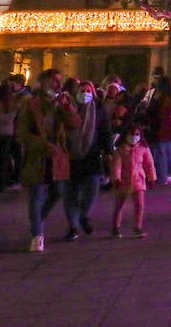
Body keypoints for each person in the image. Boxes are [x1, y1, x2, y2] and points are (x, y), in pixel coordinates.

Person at [16, 68, 78, 252]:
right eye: (54, 81)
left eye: (60, 81)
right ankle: (37, 235)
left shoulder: (62, 103)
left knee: (58, 191)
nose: (58, 85)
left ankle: (37, 220)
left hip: (57, 157)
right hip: (38, 156)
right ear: (43, 83)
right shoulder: (30, 104)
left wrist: (67, 106)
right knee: (37, 194)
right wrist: (42, 144)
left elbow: (75, 123)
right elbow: (22, 134)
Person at [63, 79, 112, 240]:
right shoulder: (68, 109)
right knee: (72, 193)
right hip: (71, 156)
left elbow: (105, 130)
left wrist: (108, 150)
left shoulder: (99, 110)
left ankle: (83, 215)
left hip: (92, 154)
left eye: (88, 91)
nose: (85, 94)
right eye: (81, 91)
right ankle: (73, 226)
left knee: (93, 188)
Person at [110, 124, 156, 238]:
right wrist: (116, 178)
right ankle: (115, 227)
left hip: (138, 180)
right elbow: (117, 166)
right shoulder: (120, 150)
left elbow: (149, 164)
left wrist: (152, 178)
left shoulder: (143, 148)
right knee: (119, 205)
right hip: (123, 182)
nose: (134, 137)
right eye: (132, 134)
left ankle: (137, 227)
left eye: (137, 134)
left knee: (139, 205)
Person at [146, 76, 171, 185]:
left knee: (160, 153)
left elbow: (159, 113)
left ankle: (161, 176)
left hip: (162, 127)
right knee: (169, 150)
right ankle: (169, 173)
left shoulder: (162, 97)